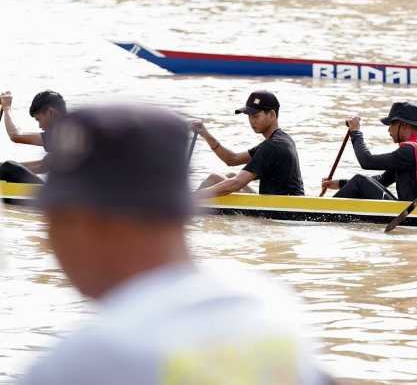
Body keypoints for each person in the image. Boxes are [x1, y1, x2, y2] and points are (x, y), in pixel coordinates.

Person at [16, 104, 327, 384]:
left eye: (53, 219)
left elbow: (234, 182)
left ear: (87, 223)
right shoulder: (275, 311)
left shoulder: (81, 361)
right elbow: (232, 162)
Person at [320, 102, 417, 202]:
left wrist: (356, 133)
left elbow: (366, 162)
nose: (389, 130)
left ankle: (322, 212)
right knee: (360, 182)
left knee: (359, 180)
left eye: (391, 124)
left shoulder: (408, 152)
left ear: (403, 125)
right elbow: (383, 179)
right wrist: (340, 184)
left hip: (411, 213)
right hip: (411, 209)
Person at [192, 91, 304, 198]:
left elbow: (237, 183)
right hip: (281, 202)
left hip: (283, 209)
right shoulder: (282, 139)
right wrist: (205, 134)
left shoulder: (272, 146)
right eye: (249, 116)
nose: (251, 121)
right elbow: (232, 159)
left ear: (272, 115)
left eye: (255, 116)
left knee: (214, 179)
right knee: (230, 176)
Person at [0, 90, 67, 184]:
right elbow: (41, 166)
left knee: (7, 167)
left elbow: (16, 135)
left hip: (68, 194)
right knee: (5, 168)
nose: (40, 126)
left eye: (39, 119)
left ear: (50, 112)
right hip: (68, 192)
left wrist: (7, 107)